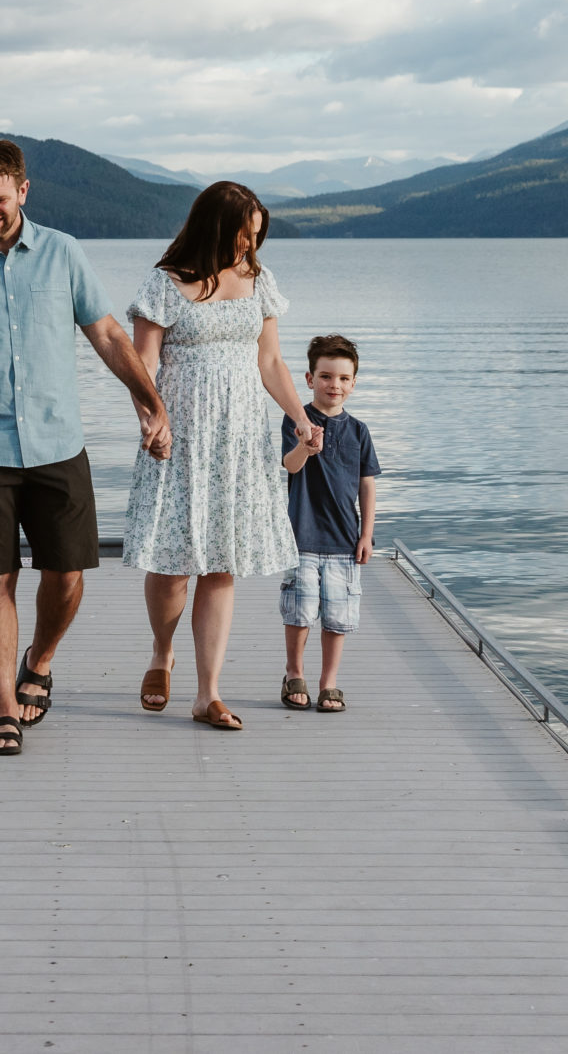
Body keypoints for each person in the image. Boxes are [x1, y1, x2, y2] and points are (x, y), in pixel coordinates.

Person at [0, 138, 172, 759]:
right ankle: (2, 709)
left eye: (0, 199)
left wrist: (151, 400)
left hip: (59, 444)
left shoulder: (63, 253)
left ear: (24, 191)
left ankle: (41, 659)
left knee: (67, 573)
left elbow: (108, 334)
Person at [120, 181, 320, 731]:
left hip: (241, 438)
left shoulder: (259, 281)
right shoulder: (164, 284)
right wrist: (151, 421)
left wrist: (302, 419)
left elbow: (272, 363)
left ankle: (207, 694)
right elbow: (141, 365)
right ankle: (163, 652)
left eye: (254, 237)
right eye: (240, 234)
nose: (247, 246)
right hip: (180, 432)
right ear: (214, 227)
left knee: (223, 561)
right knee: (172, 561)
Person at [278, 334, 380, 715]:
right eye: (325, 376)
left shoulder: (359, 431)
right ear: (309, 379)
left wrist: (366, 535)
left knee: (337, 617)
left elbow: (366, 485)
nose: (333, 385)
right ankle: (294, 673)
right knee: (299, 611)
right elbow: (289, 465)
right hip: (300, 536)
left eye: (342, 378)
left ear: (353, 384)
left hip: (343, 540)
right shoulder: (296, 420)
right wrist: (305, 445)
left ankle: (329, 682)